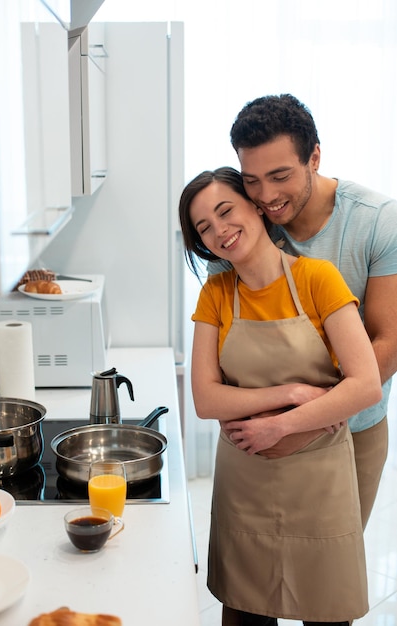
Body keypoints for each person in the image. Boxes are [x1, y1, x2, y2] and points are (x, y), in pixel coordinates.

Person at [179, 166, 382, 625]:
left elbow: (365, 384)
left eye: (225, 211)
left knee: (326, 612)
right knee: (245, 614)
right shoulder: (215, 293)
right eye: (204, 227)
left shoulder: (318, 279)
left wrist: (282, 423)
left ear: (256, 205)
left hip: (319, 481)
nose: (220, 231)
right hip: (245, 481)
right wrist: (292, 393)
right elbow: (206, 400)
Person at [210, 93, 397, 529]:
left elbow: (387, 343)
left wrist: (308, 420)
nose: (266, 196)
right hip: (260, 429)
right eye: (251, 180)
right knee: (253, 576)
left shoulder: (376, 222)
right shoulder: (240, 226)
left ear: (314, 157)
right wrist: (271, 422)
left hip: (353, 430)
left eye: (280, 176)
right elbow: (225, 346)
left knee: (328, 574)